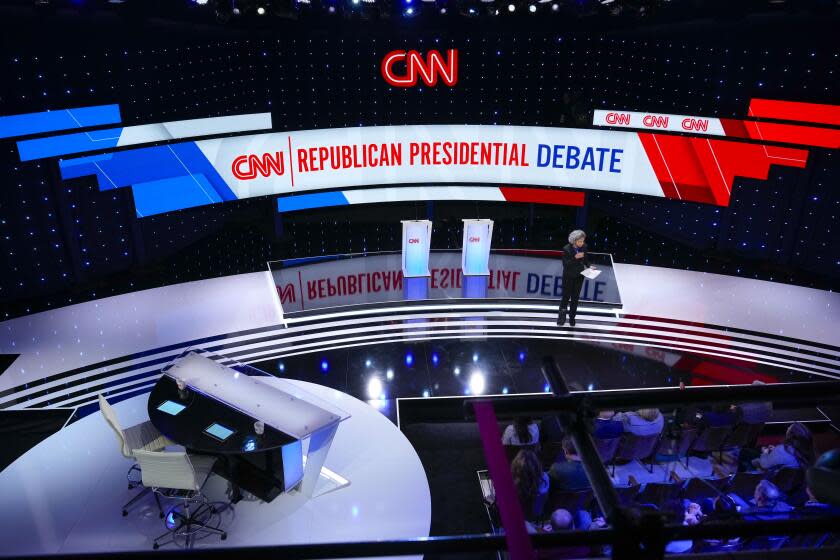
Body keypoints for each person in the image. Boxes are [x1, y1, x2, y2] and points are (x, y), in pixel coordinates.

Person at [557, 229, 595, 327]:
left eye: (583, 241)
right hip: (568, 276)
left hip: (579, 276)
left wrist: (590, 266)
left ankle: (572, 318)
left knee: (575, 298)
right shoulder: (566, 249)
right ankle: (561, 318)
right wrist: (575, 257)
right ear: (574, 241)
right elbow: (566, 265)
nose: (582, 243)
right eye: (580, 241)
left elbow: (586, 260)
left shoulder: (584, 247)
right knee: (565, 297)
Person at [750, 421, 816, 471]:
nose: (787, 428)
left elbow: (764, 464)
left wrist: (764, 453)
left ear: (792, 434)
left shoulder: (782, 450)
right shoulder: (809, 452)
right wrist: (775, 450)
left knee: (750, 456)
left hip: (773, 480)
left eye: (789, 428)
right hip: (793, 482)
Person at [511, 448, 550, 521]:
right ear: (537, 464)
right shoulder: (545, 478)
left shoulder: (512, 482)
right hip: (536, 512)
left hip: (518, 513)